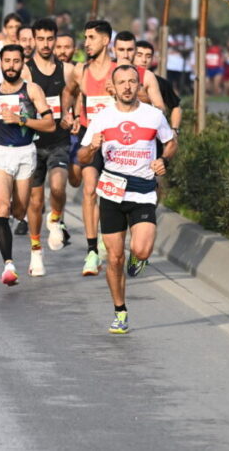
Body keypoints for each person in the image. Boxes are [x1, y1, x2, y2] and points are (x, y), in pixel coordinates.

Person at [78, 65, 176, 333]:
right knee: (114, 258)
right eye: (121, 82)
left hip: (142, 190)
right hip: (112, 191)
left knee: (141, 249)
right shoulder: (102, 117)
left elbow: (171, 142)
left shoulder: (153, 116)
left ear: (139, 86)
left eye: (132, 81)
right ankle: (120, 311)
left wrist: (164, 160)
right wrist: (92, 147)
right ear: (113, 87)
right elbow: (82, 157)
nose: (127, 87)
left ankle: (139, 258)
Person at [0, 44, 55, 283]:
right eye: (7, 61)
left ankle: (33, 246)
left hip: (25, 154)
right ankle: (8, 266)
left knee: (20, 211)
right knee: (2, 208)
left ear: (22, 64)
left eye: (16, 61)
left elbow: (50, 124)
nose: (11, 66)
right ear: (0, 63)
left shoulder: (32, 90)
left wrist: (22, 119)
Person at [24, 18, 78, 252]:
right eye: (41, 39)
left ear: (55, 39)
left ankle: (55, 218)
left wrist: (72, 115)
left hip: (59, 140)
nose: (45, 44)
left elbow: (77, 95)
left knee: (58, 187)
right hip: (32, 143)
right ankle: (35, 250)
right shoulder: (26, 70)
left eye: (49, 39)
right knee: (35, 202)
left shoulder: (67, 70)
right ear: (34, 40)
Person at [67, 20, 116, 276]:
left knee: (113, 196)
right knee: (89, 189)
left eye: (91, 38)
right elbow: (69, 91)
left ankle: (108, 239)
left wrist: (118, 93)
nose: (86, 43)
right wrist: (70, 114)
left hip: (116, 140)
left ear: (105, 40)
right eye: (85, 38)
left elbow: (140, 97)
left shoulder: (120, 71)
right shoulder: (80, 70)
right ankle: (91, 251)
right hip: (89, 135)